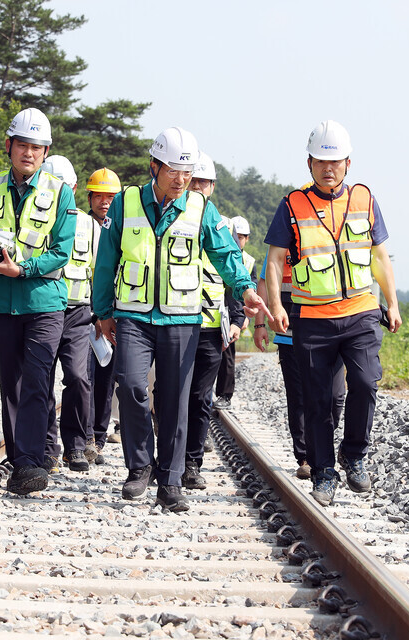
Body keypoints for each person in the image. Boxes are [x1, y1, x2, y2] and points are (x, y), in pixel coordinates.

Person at [92, 127, 271, 512]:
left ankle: (171, 482)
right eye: (174, 170)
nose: (181, 179)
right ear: (154, 166)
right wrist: (102, 311)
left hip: (181, 320)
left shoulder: (200, 208)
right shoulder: (126, 203)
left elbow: (225, 254)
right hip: (134, 317)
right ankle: (140, 467)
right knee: (133, 387)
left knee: (175, 402)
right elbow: (106, 261)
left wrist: (245, 289)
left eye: (187, 172)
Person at [264, 120, 401, 506]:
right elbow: (275, 260)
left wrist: (392, 302)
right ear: (309, 163)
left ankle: (354, 455)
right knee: (318, 400)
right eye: (321, 161)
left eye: (336, 161)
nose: (329, 168)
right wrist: (276, 305)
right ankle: (324, 472)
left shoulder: (364, 199)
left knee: (366, 382)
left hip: (360, 312)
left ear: (348, 163)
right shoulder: (292, 204)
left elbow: (379, 257)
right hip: (313, 317)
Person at [0, 107, 77, 495]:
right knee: (11, 384)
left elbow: (61, 251)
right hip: (1, 304)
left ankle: (29, 463)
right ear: (9, 146)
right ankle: (24, 457)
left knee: (38, 381)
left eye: (37, 147)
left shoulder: (61, 192)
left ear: (45, 151)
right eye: (22, 144)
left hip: (44, 303)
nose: (29, 153)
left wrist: (22, 270)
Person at [253, 247, 345, 480]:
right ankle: (305, 456)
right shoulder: (280, 244)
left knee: (335, 397)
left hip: (328, 332)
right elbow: (264, 282)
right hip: (289, 334)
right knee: (299, 397)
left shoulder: (326, 238)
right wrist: (260, 323)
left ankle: (319, 443)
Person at [182, 152, 244, 490]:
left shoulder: (222, 228)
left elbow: (232, 275)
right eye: (195, 181)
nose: (199, 188)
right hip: (175, 324)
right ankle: (169, 457)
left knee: (201, 397)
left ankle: (192, 464)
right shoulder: (178, 220)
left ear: (213, 186)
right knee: (169, 393)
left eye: (205, 182)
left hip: (209, 328)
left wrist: (237, 318)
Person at [39, 154, 95, 473]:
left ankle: (75, 446)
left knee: (77, 377)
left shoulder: (88, 224)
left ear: (73, 187)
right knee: (42, 380)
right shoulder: (35, 221)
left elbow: (99, 269)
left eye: (65, 186)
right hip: (44, 309)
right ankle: (49, 448)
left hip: (78, 312)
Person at [84, 168, 123, 456]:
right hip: (85, 314)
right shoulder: (81, 226)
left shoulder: (122, 228)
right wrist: (95, 313)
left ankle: (98, 435)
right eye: (99, 196)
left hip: (113, 314)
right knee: (84, 377)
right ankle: (88, 436)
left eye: (110, 196)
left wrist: (106, 313)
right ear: (90, 198)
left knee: (107, 378)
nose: (105, 202)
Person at [213, 215, 255, 409]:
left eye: (241, 237)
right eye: (234, 236)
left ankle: (224, 395)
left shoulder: (248, 261)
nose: (237, 240)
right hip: (213, 308)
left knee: (227, 355)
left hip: (234, 312)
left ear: (246, 239)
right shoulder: (217, 251)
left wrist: (243, 317)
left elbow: (250, 290)